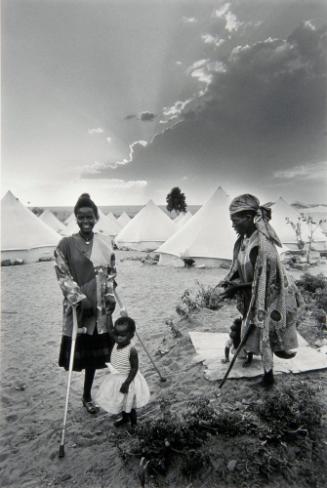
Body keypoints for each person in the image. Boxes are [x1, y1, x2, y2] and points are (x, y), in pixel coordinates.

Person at [213, 193, 301, 387]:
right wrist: (229, 283)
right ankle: (269, 355)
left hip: (272, 297)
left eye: (235, 220)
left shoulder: (262, 247)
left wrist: (237, 287)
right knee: (256, 330)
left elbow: (265, 282)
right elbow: (240, 269)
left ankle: (268, 378)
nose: (233, 225)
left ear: (247, 217)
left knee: (265, 334)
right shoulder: (245, 241)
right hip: (254, 296)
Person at [54, 193, 118, 414]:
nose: (85, 221)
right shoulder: (66, 244)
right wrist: (79, 299)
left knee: (94, 357)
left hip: (100, 309)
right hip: (79, 310)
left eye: (89, 217)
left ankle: (86, 395)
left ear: (96, 217)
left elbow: (110, 274)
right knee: (80, 353)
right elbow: (62, 275)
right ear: (76, 218)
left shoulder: (105, 242)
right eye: (81, 217)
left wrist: (109, 295)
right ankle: (87, 395)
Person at [95, 316, 150, 428]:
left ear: (131, 335)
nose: (119, 337)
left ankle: (134, 423)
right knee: (122, 402)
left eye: (123, 335)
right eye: (118, 334)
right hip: (117, 378)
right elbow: (110, 329)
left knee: (130, 406)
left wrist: (126, 383)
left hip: (128, 381)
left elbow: (134, 368)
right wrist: (109, 314)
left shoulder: (131, 350)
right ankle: (125, 419)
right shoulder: (117, 341)